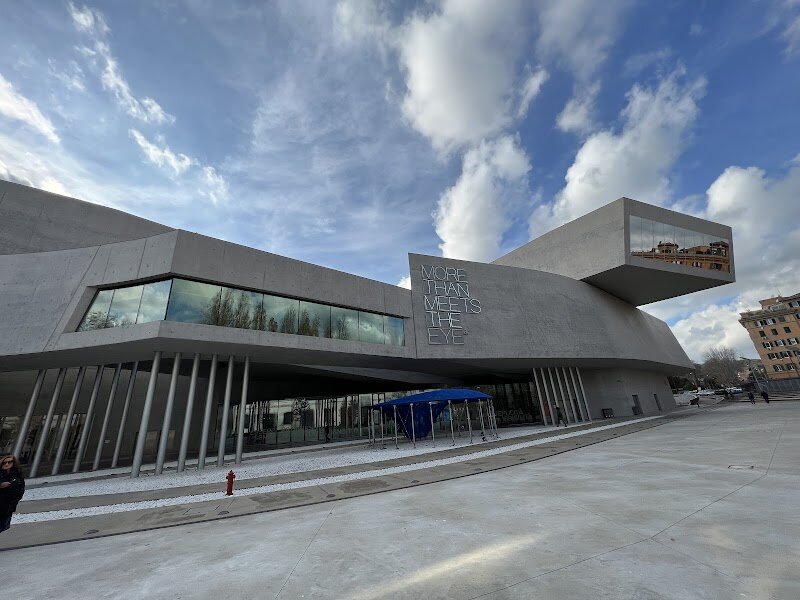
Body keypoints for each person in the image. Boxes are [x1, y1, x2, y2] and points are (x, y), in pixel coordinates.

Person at [0, 454, 25, 533]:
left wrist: (14, 502)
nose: (7, 464)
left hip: (8, 506)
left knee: (3, 526)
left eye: (9, 462)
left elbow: (21, 489)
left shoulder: (17, 474)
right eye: (4, 462)